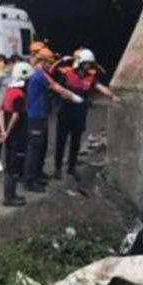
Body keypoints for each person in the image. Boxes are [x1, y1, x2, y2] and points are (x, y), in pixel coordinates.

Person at [52, 49, 120, 181]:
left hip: (80, 114)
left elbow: (100, 87)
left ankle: (71, 167)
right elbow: (58, 90)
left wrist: (112, 96)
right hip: (65, 112)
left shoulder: (91, 77)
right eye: (85, 64)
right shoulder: (67, 75)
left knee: (75, 142)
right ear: (80, 63)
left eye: (89, 64)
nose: (87, 66)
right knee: (61, 141)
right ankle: (57, 168)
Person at [24, 53, 84, 193]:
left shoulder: (38, 74)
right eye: (48, 62)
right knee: (34, 149)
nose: (50, 65)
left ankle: (37, 174)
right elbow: (59, 89)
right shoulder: (40, 75)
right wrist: (79, 100)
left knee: (41, 146)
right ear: (42, 61)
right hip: (36, 116)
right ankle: (30, 180)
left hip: (40, 115)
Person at [0, 62, 33, 207]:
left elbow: (1, 111)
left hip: (9, 135)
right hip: (17, 135)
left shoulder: (8, 91)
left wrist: (3, 131)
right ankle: (9, 197)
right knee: (13, 166)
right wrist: (9, 131)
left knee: (9, 164)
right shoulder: (19, 95)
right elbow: (15, 116)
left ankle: (10, 195)